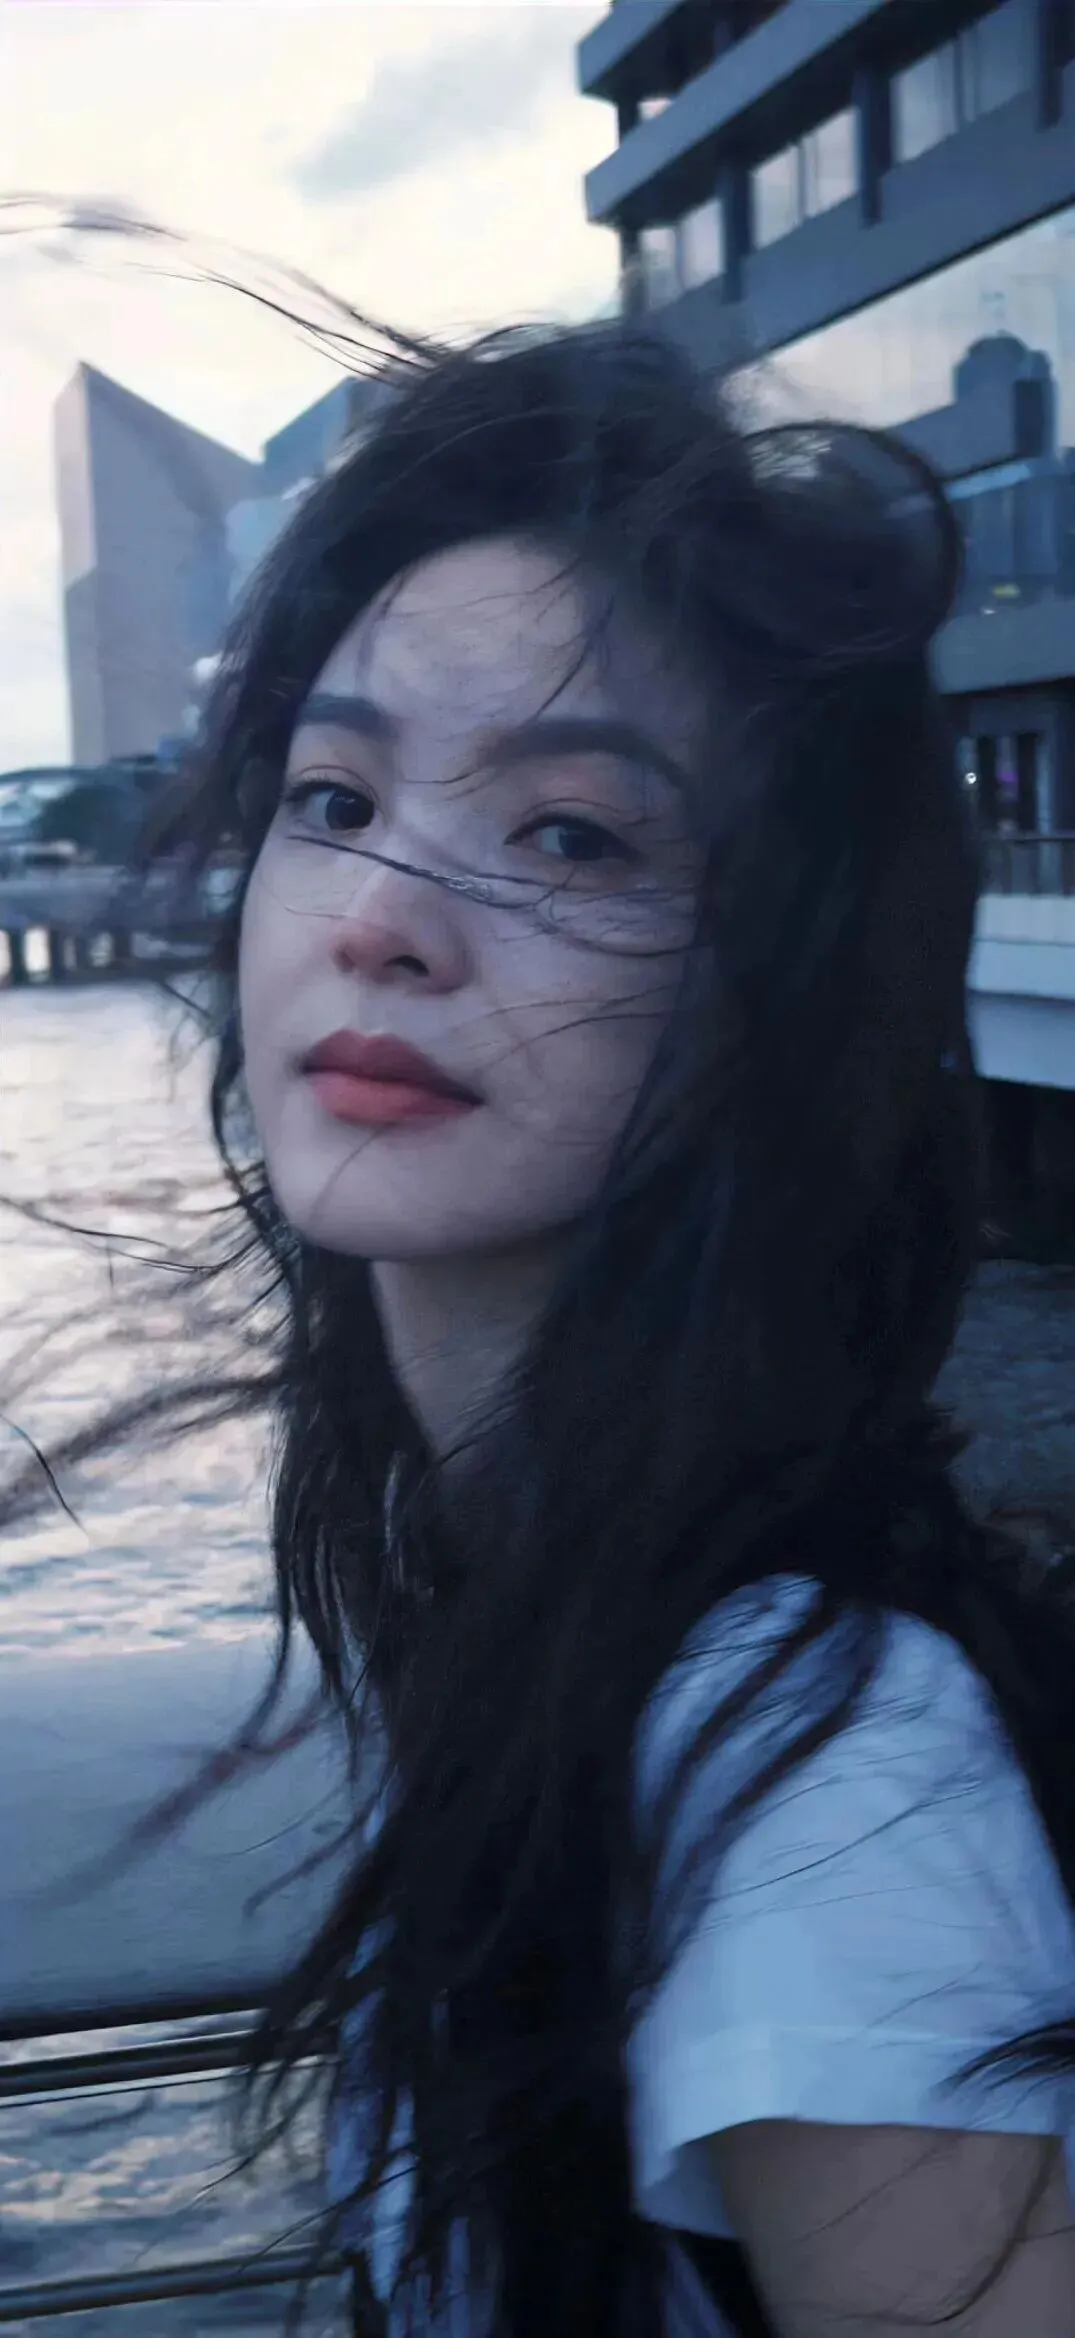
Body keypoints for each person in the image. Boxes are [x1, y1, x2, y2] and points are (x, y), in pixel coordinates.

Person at [10, 315, 1075, 2338]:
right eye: (335, 795)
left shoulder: (824, 1773)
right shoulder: (523, 1602)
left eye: (569, 833)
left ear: (773, 994)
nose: (380, 917)